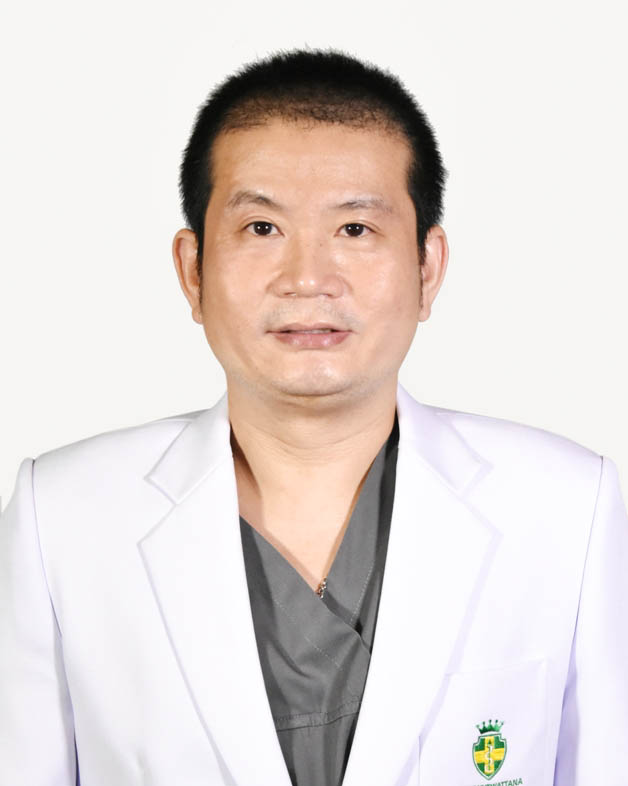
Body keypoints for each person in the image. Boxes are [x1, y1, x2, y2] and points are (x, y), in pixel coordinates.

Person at [1, 48, 626, 786]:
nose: (307, 279)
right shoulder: (62, 515)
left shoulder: (569, 505)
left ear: (427, 268)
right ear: (192, 271)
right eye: (262, 228)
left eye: (355, 229)